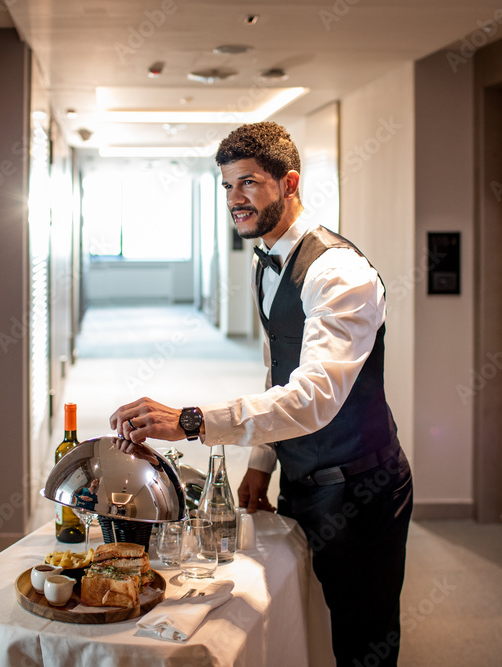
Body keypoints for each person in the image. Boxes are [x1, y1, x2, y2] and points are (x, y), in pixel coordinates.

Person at [110, 122, 413, 666]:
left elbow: (313, 397)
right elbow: (279, 371)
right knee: (305, 622)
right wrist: (261, 461)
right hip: (302, 476)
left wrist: (193, 420)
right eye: (227, 187)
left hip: (360, 485)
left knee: (363, 637)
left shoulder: (339, 272)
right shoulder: (265, 261)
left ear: (289, 182)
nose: (235, 199)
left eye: (248, 183)